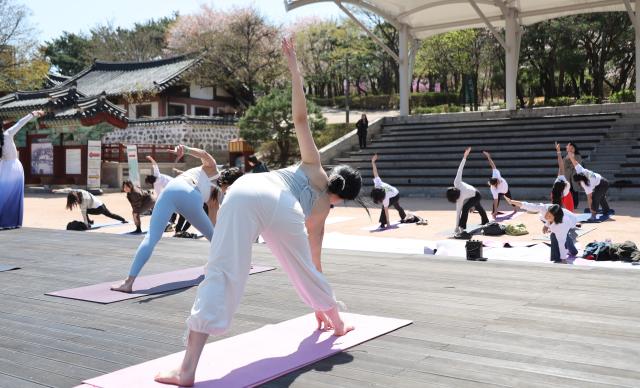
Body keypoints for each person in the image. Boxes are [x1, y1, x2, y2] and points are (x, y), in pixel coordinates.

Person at [154, 37, 363, 387]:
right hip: (283, 208)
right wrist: (323, 308)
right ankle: (339, 324)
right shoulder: (324, 209)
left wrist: (295, 68)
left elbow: (300, 118)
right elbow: (311, 265)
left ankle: (188, 367)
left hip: (249, 188)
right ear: (344, 197)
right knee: (306, 272)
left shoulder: (313, 165)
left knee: (221, 273)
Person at [111, 145, 221, 293]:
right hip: (191, 195)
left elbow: (204, 154)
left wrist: (185, 149)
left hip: (171, 189)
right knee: (215, 238)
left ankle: (128, 282)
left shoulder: (212, 175)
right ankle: (236, 263)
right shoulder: (216, 189)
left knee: (151, 237)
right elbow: (214, 229)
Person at [0, 110, 45, 229]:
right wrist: (33, 113)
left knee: (3, 194)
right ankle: (12, 222)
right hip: (14, 167)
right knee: (14, 195)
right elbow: (20, 123)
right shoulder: (7, 134)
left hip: (3, 167)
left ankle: (4, 221)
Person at [505, 197, 578, 263]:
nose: (546, 216)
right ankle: (572, 251)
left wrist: (563, 259)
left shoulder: (562, 224)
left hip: (571, 220)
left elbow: (561, 243)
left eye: (549, 216)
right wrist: (512, 202)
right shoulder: (544, 208)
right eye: (547, 213)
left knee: (557, 236)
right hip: (559, 218)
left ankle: (559, 257)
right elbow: (529, 206)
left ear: (555, 218)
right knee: (561, 235)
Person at [446, 148, 489, 234]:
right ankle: (485, 221)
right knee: (478, 207)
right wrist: (456, 227)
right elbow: (457, 214)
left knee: (466, 208)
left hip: (476, 194)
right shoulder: (459, 198)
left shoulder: (457, 182)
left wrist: (465, 156)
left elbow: (460, 169)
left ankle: (463, 227)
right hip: (472, 193)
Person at [53, 188, 126, 228]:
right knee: (110, 214)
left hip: (99, 209)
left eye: (75, 200)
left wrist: (86, 225)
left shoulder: (84, 200)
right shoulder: (75, 191)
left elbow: (84, 214)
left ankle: (89, 222)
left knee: (85, 211)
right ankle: (123, 219)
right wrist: (57, 190)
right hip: (100, 203)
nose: (76, 202)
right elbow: (67, 189)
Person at [568, 153, 611, 221]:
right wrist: (571, 156)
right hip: (601, 181)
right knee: (601, 197)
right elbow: (575, 162)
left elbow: (589, 198)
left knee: (595, 197)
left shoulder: (586, 184)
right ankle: (606, 210)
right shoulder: (581, 171)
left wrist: (591, 209)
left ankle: (594, 215)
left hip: (603, 184)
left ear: (579, 181)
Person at [370, 153, 405, 228]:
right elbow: (375, 172)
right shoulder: (377, 183)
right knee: (397, 206)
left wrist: (388, 222)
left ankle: (383, 223)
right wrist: (373, 162)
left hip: (396, 194)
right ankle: (404, 217)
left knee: (386, 207)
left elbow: (386, 210)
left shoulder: (385, 197)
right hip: (394, 191)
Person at [145, 155, 176, 231]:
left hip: (173, 191)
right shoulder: (157, 174)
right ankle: (172, 221)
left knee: (171, 207)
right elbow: (155, 164)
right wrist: (151, 158)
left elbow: (159, 196)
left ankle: (171, 222)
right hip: (176, 182)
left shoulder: (156, 185)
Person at [481, 151, 515, 218]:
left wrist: (488, 157)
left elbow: (492, 165)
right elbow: (495, 201)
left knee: (510, 201)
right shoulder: (493, 189)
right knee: (495, 202)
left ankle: (515, 209)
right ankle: (494, 213)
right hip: (499, 191)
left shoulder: (496, 174)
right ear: (494, 185)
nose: (499, 181)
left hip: (505, 190)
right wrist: (496, 211)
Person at [551, 142, 574, 211]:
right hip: (563, 192)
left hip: (564, 192)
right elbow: (561, 166)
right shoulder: (557, 193)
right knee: (557, 210)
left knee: (570, 211)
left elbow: (561, 165)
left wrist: (558, 152)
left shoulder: (560, 180)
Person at [563, 142, 582, 207]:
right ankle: (569, 205)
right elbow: (563, 166)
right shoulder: (566, 157)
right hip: (567, 177)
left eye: (572, 148)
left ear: (575, 149)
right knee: (568, 192)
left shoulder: (578, 156)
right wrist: (566, 159)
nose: (571, 149)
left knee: (575, 192)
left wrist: (569, 166)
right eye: (569, 148)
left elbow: (575, 166)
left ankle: (575, 205)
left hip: (574, 177)